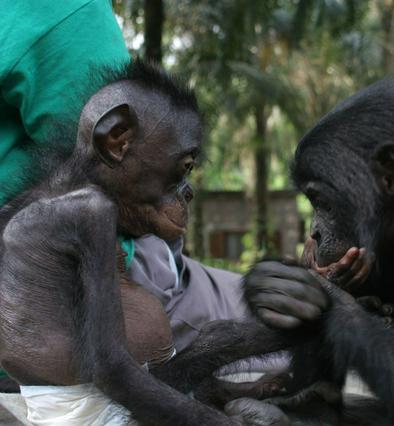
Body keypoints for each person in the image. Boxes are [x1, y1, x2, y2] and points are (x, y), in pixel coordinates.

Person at [0, 1, 259, 423]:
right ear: (117, 140)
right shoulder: (92, 210)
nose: (185, 191)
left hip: (84, 383)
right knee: (280, 312)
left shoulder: (41, 204)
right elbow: (109, 366)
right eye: (182, 170)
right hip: (92, 405)